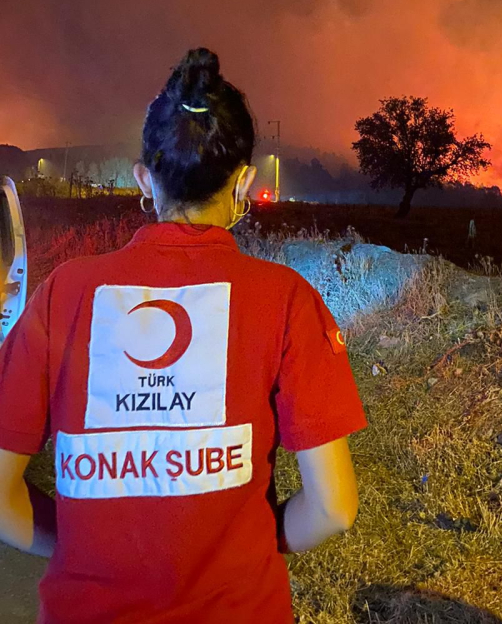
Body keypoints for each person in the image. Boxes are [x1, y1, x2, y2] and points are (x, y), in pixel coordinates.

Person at [0, 48, 368, 623]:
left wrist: (81, 545)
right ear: (243, 182)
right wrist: (242, 550)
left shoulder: (63, 294)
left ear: (144, 178)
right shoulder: (286, 300)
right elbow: (334, 509)